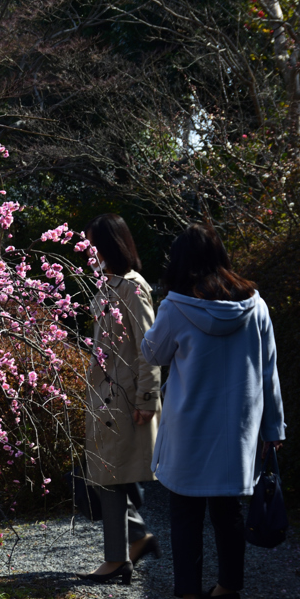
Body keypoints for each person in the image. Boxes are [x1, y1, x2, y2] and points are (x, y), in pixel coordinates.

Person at [141, 223, 285, 599]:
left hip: (189, 429)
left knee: (185, 517)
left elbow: (153, 355)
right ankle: (227, 589)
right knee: (228, 513)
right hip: (237, 432)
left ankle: (187, 592)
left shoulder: (175, 306)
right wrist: (274, 429)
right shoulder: (255, 305)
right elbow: (269, 371)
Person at [77, 213, 162, 586]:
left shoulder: (132, 287)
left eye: (93, 244)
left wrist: (147, 397)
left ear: (109, 245)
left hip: (124, 398)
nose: (88, 252)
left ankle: (117, 559)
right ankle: (136, 537)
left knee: (109, 475)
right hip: (107, 395)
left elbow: (149, 348)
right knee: (107, 473)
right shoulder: (108, 285)